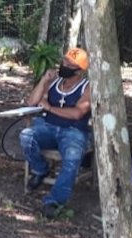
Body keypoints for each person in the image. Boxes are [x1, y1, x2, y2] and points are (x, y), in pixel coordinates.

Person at [22, 48, 92, 219]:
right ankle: (40, 169)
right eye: (64, 61)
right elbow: (32, 101)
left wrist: (50, 107)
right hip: (48, 127)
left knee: (73, 157)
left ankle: (53, 201)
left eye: (70, 64)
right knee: (26, 136)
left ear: (79, 70)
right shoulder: (54, 81)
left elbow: (77, 113)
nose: (64, 65)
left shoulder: (88, 87)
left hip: (74, 131)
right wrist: (43, 81)